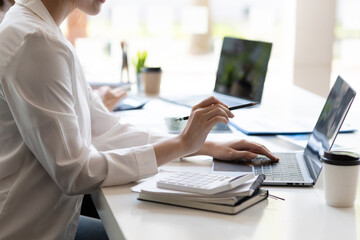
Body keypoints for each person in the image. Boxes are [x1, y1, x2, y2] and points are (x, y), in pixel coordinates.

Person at [0, 0, 278, 239]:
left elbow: (105, 130)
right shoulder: (35, 41)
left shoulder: (41, 31)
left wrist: (201, 145)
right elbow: (77, 172)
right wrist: (182, 144)